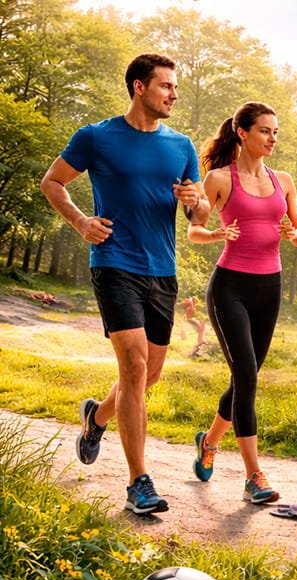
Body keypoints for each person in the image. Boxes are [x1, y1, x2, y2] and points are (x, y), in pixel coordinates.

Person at [39, 53, 208, 515]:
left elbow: (201, 214)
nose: (174, 94)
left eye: (175, 87)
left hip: (163, 270)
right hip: (114, 262)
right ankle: (139, 483)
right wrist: (80, 221)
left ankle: (96, 418)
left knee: (148, 374)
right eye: (166, 86)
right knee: (133, 366)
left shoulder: (182, 145)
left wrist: (195, 203)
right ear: (139, 87)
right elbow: (52, 182)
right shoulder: (97, 136)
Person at [188, 101, 297, 504]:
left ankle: (209, 441)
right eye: (264, 131)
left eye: (276, 132)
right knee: (249, 378)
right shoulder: (219, 178)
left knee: (246, 375)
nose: (272, 138)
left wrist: (294, 235)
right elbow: (194, 231)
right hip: (230, 288)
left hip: (269, 286)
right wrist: (218, 235)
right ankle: (254, 476)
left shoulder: (284, 180)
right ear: (242, 132)